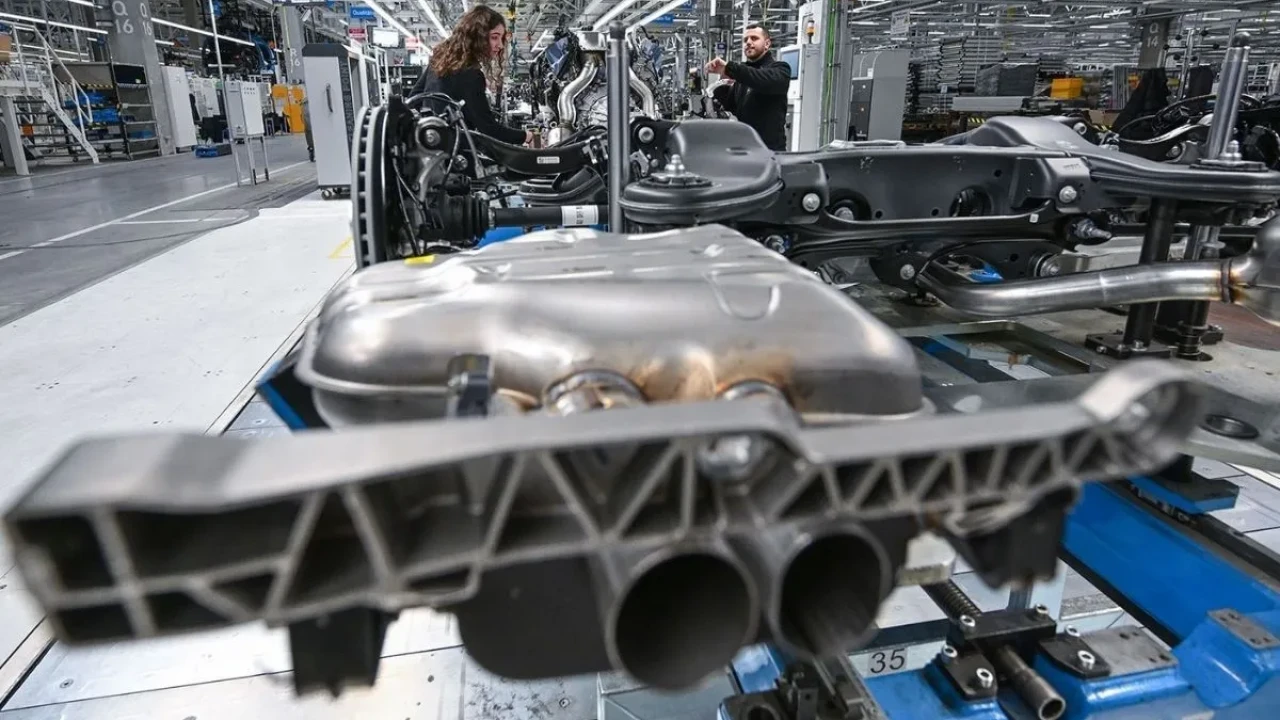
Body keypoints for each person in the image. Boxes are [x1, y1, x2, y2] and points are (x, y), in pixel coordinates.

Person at [411, 5, 532, 146]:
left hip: (433, 149)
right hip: (458, 152)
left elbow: (414, 99)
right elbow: (488, 129)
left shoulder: (439, 62)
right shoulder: (471, 75)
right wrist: (526, 136)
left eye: (501, 38)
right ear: (477, 37)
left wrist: (435, 123)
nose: (500, 45)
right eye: (494, 37)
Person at [705, 24, 791, 151]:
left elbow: (761, 80)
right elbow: (732, 106)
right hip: (745, 149)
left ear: (767, 44)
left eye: (754, 38)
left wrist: (731, 68)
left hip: (769, 151)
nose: (748, 42)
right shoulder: (744, 76)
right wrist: (722, 81)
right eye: (745, 40)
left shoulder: (780, 69)